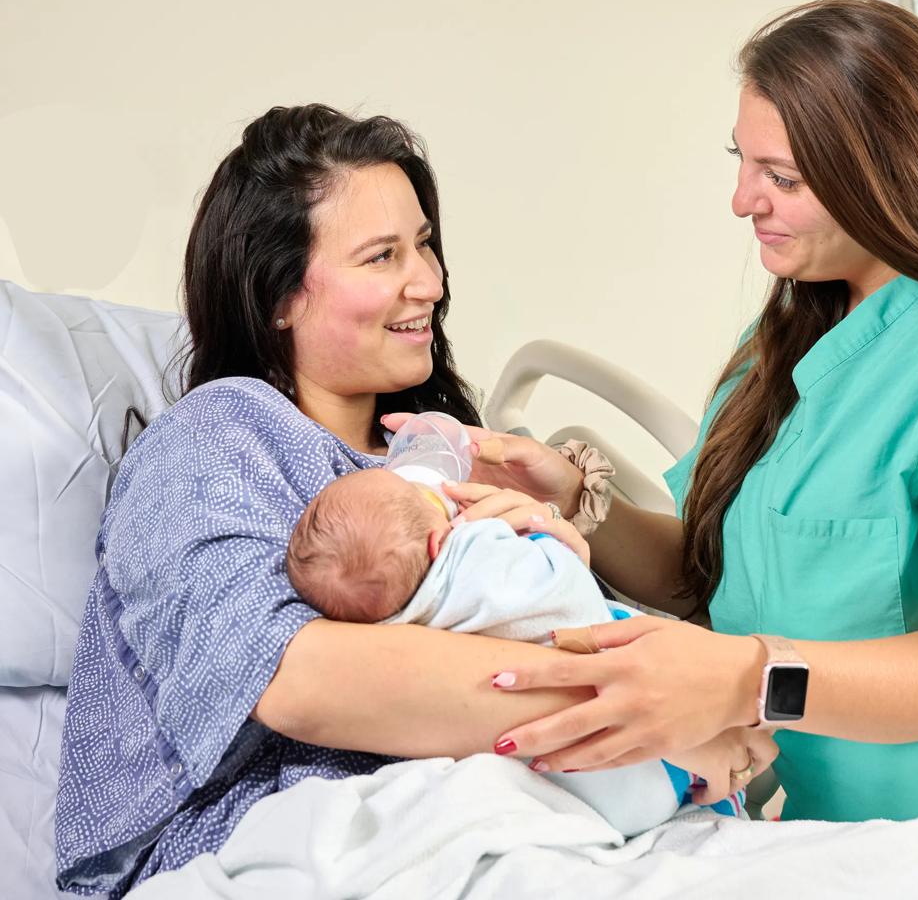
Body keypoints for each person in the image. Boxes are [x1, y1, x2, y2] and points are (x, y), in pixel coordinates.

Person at [423, 0, 918, 900]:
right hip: (864, 859)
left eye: (781, 176)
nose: (740, 201)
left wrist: (744, 680)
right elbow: (712, 572)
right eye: (741, 162)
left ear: (886, 170)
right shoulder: (783, 354)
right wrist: (573, 502)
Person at [53, 104, 771, 898]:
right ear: (278, 295)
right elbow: (298, 677)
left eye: (424, 243)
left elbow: (607, 608)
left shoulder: (454, 458)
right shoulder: (219, 435)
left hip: (556, 804)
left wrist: (566, 533)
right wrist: (654, 721)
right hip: (311, 829)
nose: (428, 281)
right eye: (382, 255)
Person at [286, 466, 747, 834]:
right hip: (645, 745)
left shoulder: (386, 623)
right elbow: (557, 578)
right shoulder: (476, 546)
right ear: (438, 539)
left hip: (573, 793)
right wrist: (546, 537)